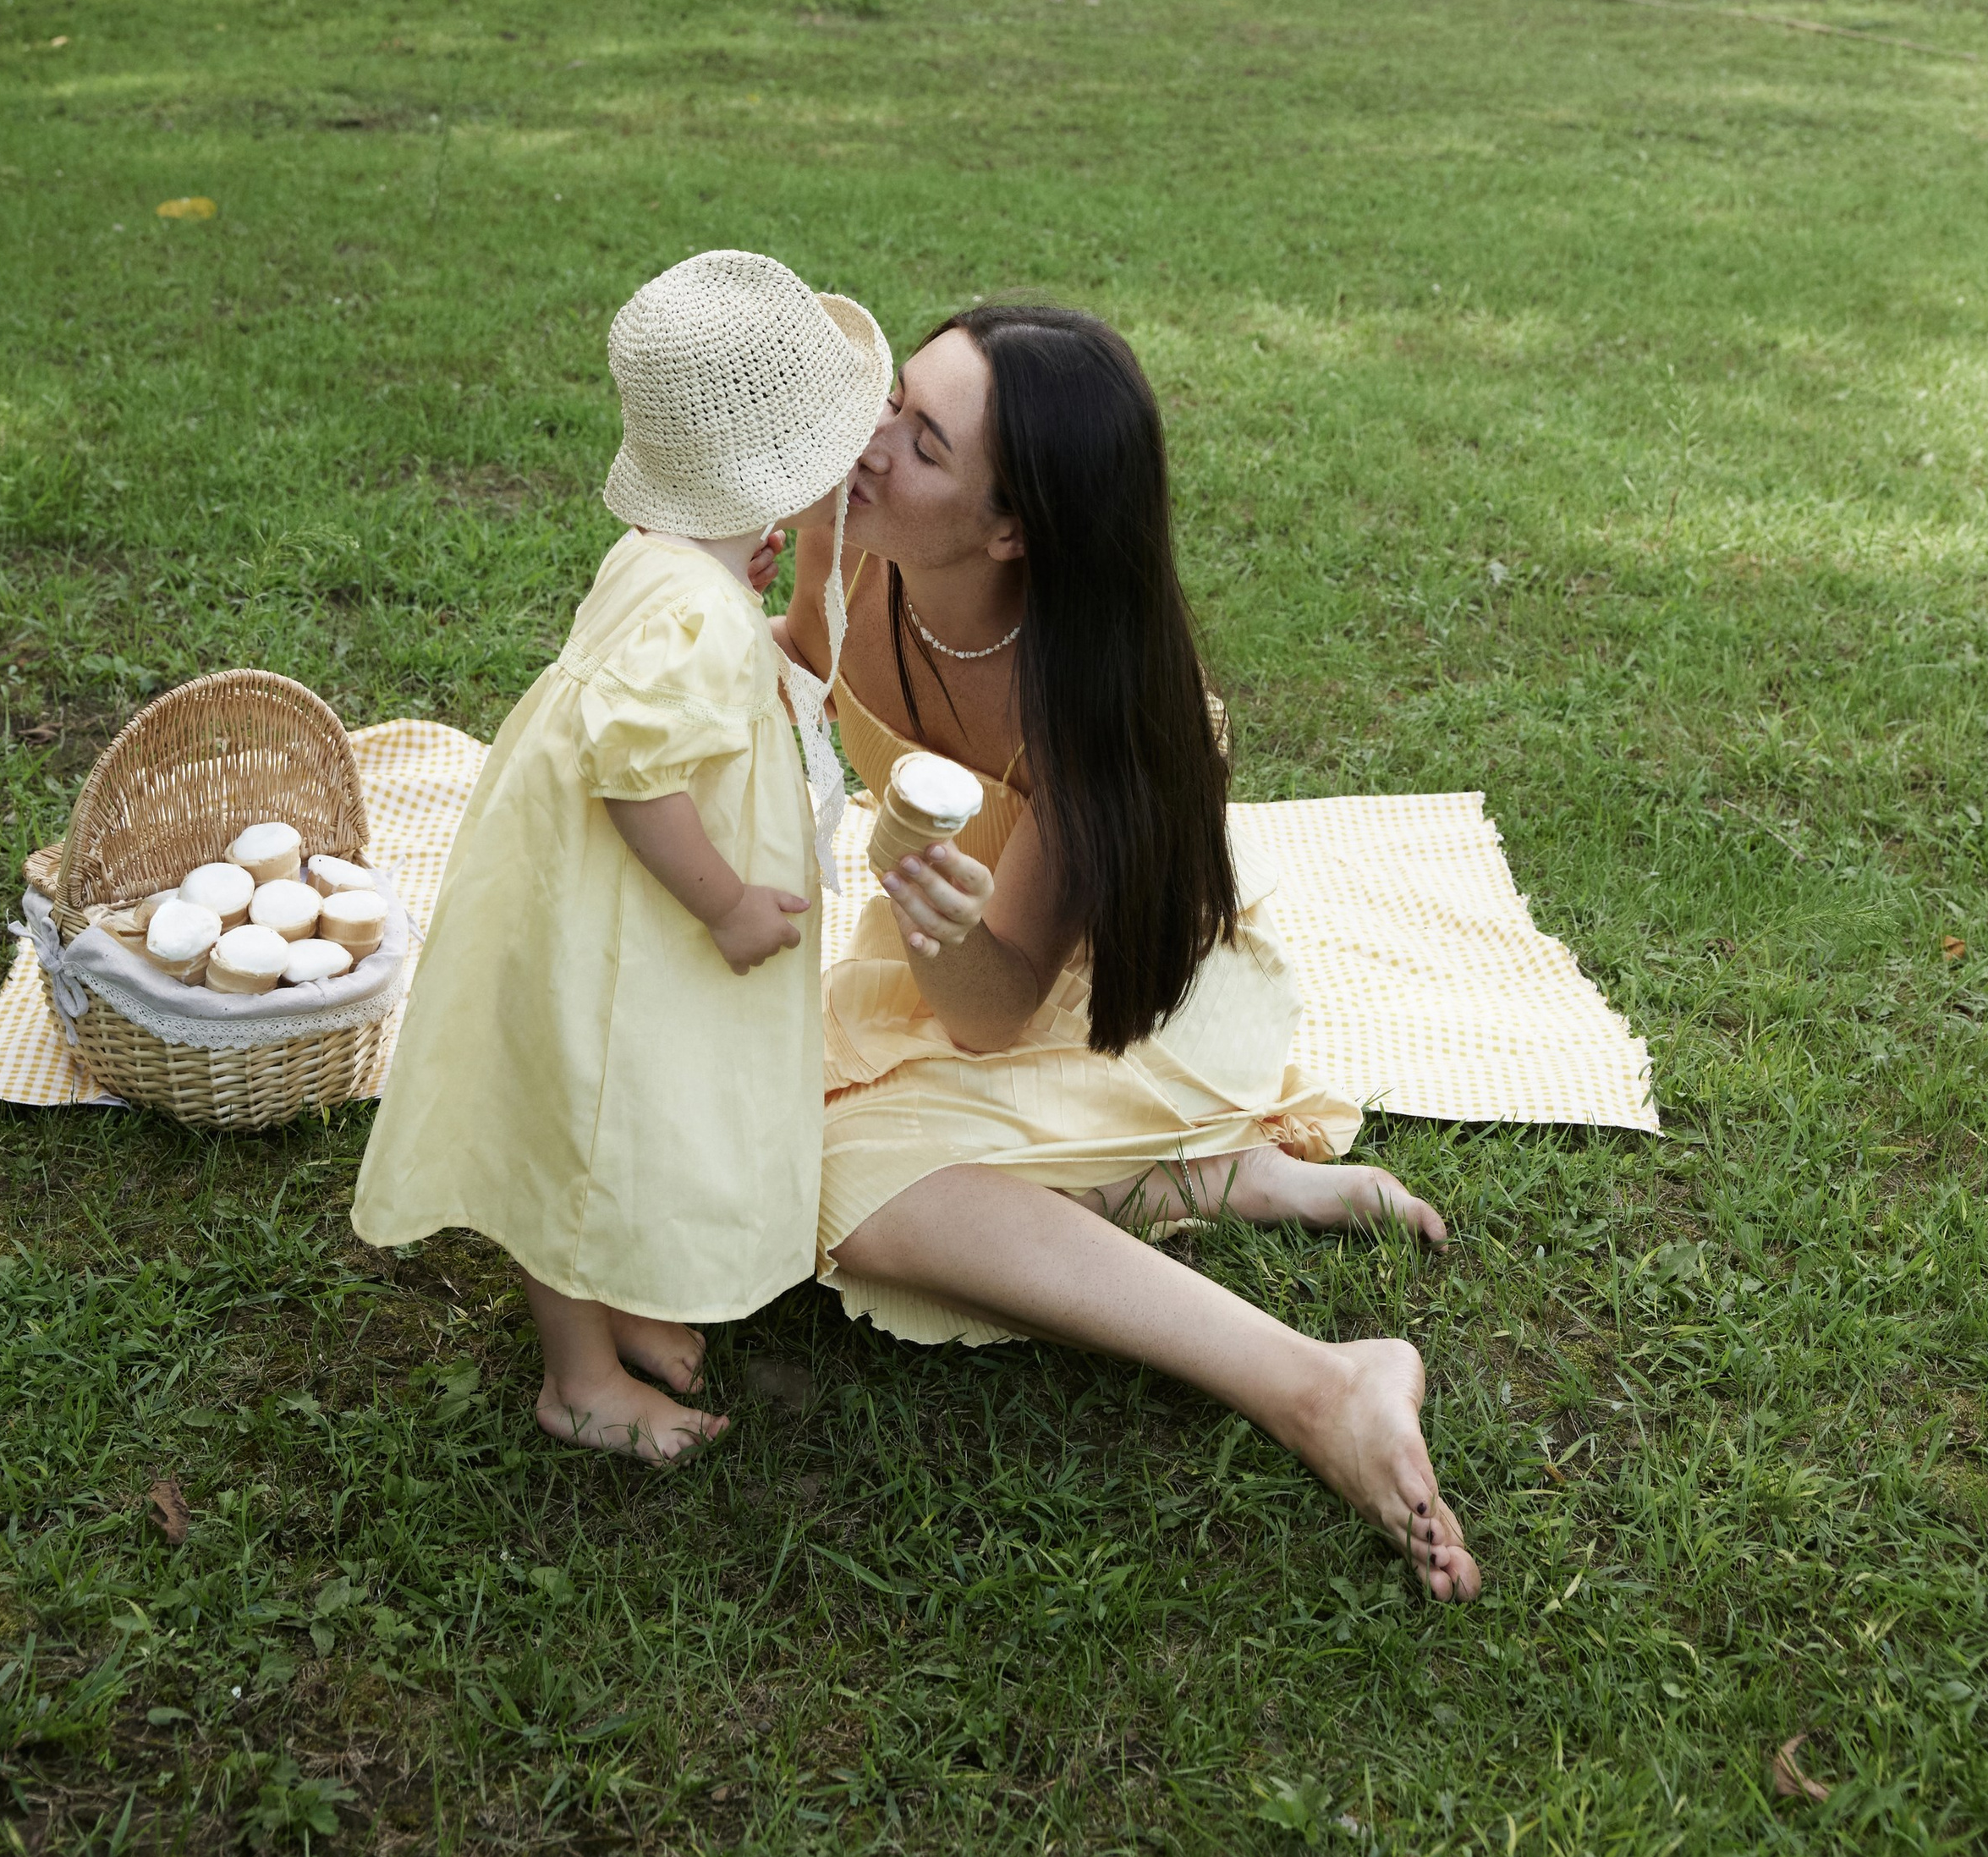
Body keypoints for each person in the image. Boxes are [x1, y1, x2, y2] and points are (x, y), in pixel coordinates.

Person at [779, 303, 1481, 1600]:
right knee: (760, 1127)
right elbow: (798, 668)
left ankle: (1321, 1381)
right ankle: (1214, 1184)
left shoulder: (1076, 708)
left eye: (924, 443)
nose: (870, 445)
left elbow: (994, 1008)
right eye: (892, 398)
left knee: (843, 1181)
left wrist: (922, 901)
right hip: (944, 932)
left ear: (1011, 529)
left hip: (1096, 991)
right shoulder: (844, 521)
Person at [353, 249, 889, 1462]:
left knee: (637, 1103)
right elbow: (637, 772)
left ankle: (625, 1292)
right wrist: (728, 906)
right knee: (586, 1122)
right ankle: (578, 1377)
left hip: (601, 898)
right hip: (629, 904)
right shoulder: (698, 611)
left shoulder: (673, 562)